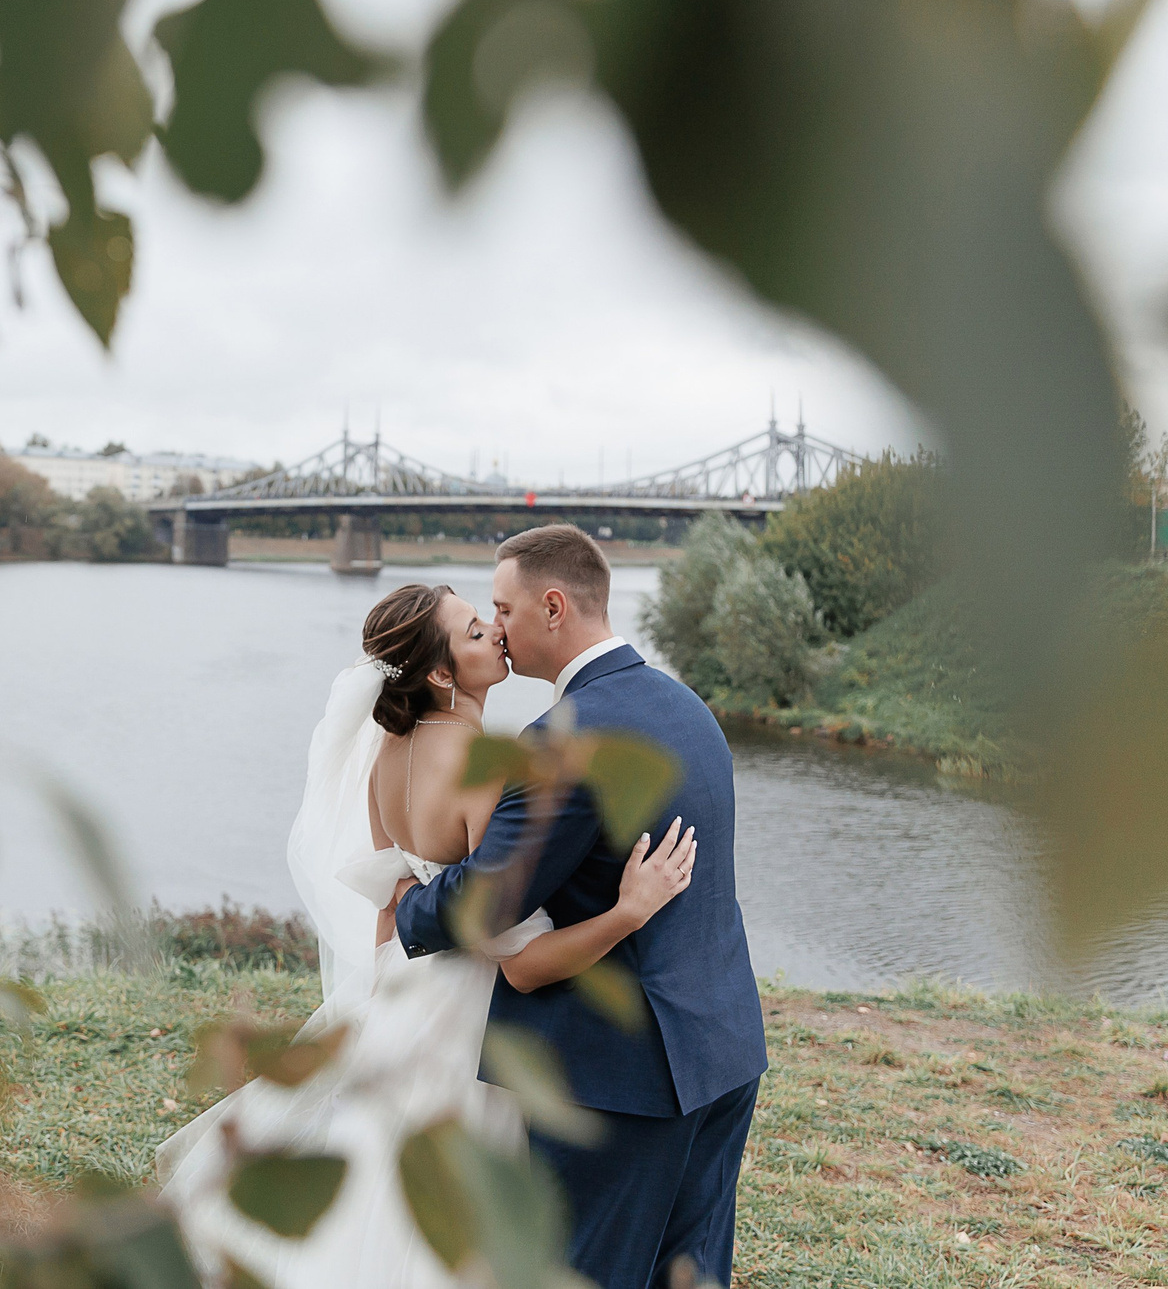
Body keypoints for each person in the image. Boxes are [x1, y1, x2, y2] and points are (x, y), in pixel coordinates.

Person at [156, 579, 698, 1288]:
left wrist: (382, 998)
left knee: (381, 1169)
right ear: (442, 672)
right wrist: (629, 909)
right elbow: (517, 957)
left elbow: (390, 901)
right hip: (464, 1017)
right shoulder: (480, 765)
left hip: (398, 992)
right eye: (476, 631)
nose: (496, 633)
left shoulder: (390, 756)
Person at [395, 525, 767, 1289]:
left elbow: (486, 901)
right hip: (723, 1047)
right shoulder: (686, 705)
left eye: (502, 607)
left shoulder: (564, 738)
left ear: (553, 606)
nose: (496, 625)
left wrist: (406, 906)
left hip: (620, 1081)